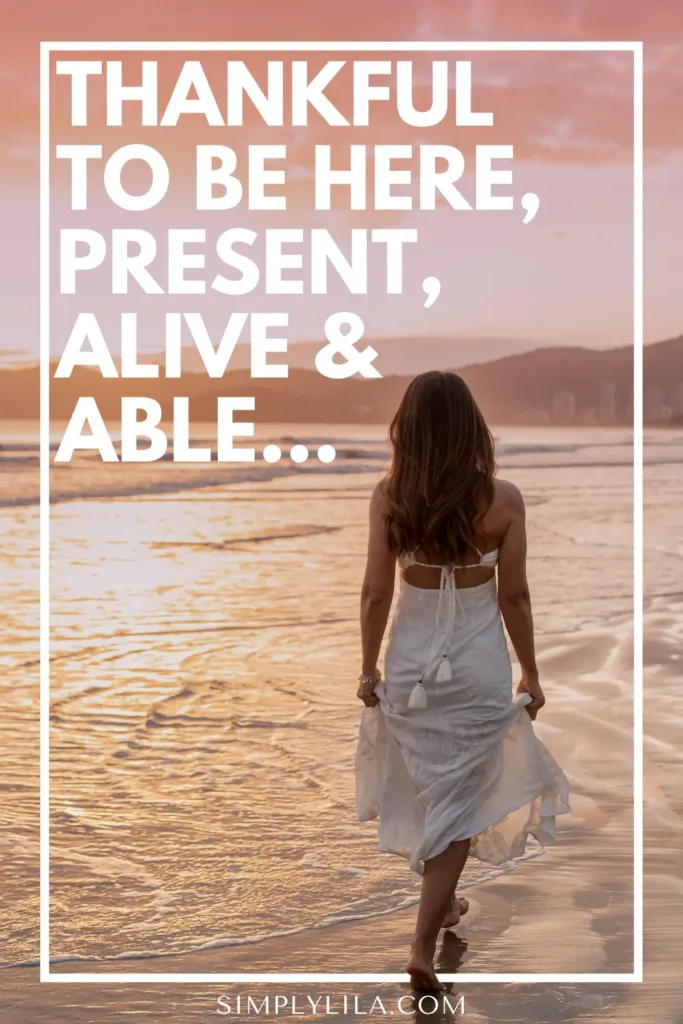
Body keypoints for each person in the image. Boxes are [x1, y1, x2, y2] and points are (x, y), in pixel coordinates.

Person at [354, 371, 570, 991]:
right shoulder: (503, 500)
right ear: (473, 428)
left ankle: (437, 916)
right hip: (476, 671)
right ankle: (426, 939)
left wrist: (368, 667)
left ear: (408, 431)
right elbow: (516, 597)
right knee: (457, 801)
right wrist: (530, 668)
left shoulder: (391, 498)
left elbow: (374, 593)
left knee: (434, 793)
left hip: (410, 669)